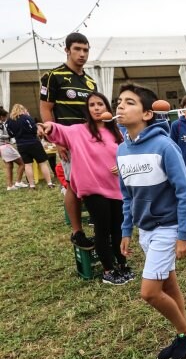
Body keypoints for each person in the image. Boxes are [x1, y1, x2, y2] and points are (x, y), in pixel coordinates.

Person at [116, 84, 186, 359]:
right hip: (145, 229)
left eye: (129, 102)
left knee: (150, 292)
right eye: (119, 102)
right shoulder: (121, 150)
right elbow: (127, 195)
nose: (120, 107)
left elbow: (184, 192)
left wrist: (184, 235)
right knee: (169, 283)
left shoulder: (164, 145)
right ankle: (183, 335)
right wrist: (127, 230)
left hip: (167, 227)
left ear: (148, 113)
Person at [40, 92, 130, 285]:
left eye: (100, 104)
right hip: (93, 189)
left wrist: (122, 166)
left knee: (118, 228)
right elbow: (58, 130)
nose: (96, 108)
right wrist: (49, 126)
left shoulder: (116, 132)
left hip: (116, 187)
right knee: (102, 229)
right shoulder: (78, 131)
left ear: (107, 108)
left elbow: (127, 155)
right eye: (92, 105)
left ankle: (121, 264)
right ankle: (108, 270)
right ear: (87, 110)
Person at [40, 32, 97, 249]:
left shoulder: (90, 82)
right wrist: (57, 141)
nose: (82, 54)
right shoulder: (53, 76)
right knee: (74, 184)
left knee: (93, 181)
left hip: (91, 140)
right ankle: (77, 232)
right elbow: (46, 109)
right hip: (69, 141)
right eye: (77, 49)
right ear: (67, 50)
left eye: (86, 50)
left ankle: (97, 221)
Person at [6, 104, 55, 189]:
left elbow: (10, 134)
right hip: (33, 142)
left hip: (21, 145)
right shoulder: (27, 117)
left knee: (28, 165)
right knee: (42, 163)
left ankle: (32, 185)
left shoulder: (9, 121)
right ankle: (49, 183)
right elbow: (34, 129)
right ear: (22, 109)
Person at [0, 108, 27, 190]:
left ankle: (10, 185)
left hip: (2, 147)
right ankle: (18, 182)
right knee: (22, 163)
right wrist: (10, 135)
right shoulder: (0, 125)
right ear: (1, 116)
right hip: (5, 146)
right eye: (5, 117)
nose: (6, 118)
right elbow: (0, 135)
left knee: (9, 166)